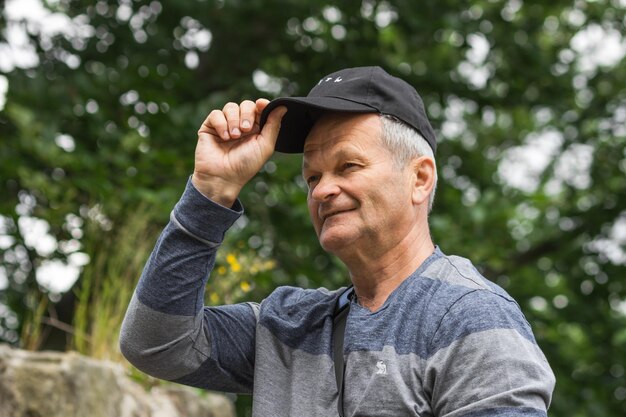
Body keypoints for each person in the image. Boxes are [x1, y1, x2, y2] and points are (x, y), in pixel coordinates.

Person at [120, 66, 555, 416]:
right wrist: (210, 193)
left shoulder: (469, 318)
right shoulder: (288, 327)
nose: (322, 190)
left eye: (347, 166)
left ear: (419, 179)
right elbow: (156, 344)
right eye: (313, 176)